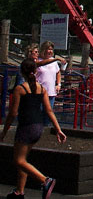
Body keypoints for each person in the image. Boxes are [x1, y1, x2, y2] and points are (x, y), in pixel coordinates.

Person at [0, 59, 66, 199]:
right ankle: (19, 191)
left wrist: (4, 131)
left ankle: (45, 180)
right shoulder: (42, 89)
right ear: (35, 71)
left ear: (22, 72)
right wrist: (58, 129)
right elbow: (49, 110)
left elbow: (13, 113)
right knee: (24, 160)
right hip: (38, 126)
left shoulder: (20, 89)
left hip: (26, 127)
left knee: (19, 161)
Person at [35, 41, 63, 125]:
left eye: (51, 49)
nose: (50, 51)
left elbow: (58, 73)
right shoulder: (38, 61)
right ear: (44, 50)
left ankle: (45, 128)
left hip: (51, 92)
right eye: (48, 49)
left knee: (48, 112)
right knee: (38, 112)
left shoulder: (53, 62)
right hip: (39, 91)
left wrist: (58, 84)